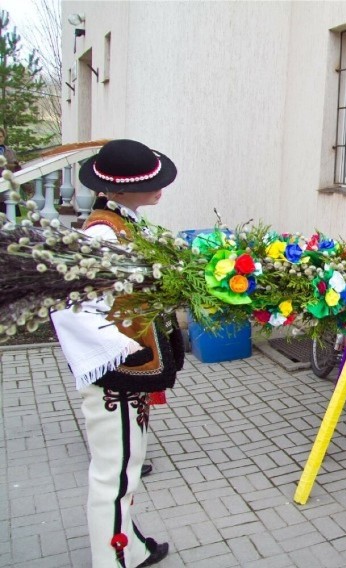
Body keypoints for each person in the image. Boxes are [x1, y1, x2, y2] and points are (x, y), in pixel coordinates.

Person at [51, 139, 182, 567]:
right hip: (114, 372)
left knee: (128, 463)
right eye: (151, 183)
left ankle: (128, 541)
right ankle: (112, 559)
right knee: (114, 471)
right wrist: (124, 353)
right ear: (119, 191)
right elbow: (76, 309)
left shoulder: (124, 221)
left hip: (125, 370)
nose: (160, 188)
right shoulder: (103, 233)